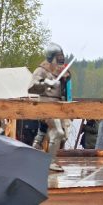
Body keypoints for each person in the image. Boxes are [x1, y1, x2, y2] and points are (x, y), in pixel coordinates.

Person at [28, 42, 71, 172]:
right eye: (58, 57)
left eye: (62, 57)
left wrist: (65, 79)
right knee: (58, 132)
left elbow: (65, 90)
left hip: (58, 106)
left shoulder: (60, 71)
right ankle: (50, 162)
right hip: (46, 104)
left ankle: (34, 153)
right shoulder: (41, 70)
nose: (61, 60)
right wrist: (46, 83)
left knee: (60, 135)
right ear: (52, 57)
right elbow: (31, 87)